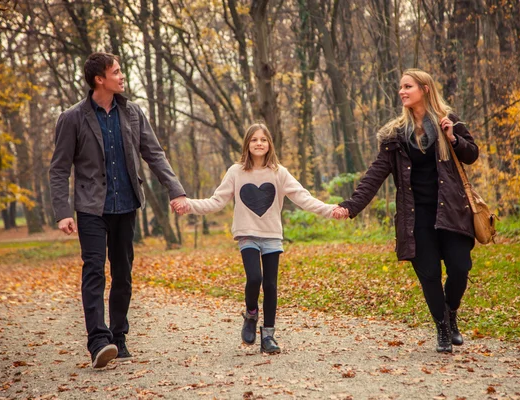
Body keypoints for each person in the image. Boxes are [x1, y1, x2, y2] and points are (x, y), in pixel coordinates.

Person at [50, 52, 187, 368]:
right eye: (117, 71)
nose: (122, 76)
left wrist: (175, 190)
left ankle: (118, 337)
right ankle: (98, 341)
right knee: (94, 270)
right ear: (100, 79)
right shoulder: (72, 118)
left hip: (126, 205)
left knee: (123, 274)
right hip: (91, 209)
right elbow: (59, 168)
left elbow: (154, 154)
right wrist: (62, 211)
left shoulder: (134, 113)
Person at [332, 68, 479, 353]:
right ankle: (442, 328)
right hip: (416, 217)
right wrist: (351, 207)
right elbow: (375, 174)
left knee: (460, 269)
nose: (401, 91)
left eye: (407, 86)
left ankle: (450, 313)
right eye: (400, 87)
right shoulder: (395, 135)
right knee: (429, 275)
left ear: (424, 89)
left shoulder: (449, 121)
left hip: (451, 212)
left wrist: (453, 138)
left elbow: (472, 154)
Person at [172, 123, 336, 354]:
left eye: (263, 140)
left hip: (271, 236)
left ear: (270, 144)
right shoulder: (236, 172)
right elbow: (216, 201)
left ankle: (268, 335)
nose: (259, 143)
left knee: (270, 285)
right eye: (254, 140)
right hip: (247, 234)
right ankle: (250, 314)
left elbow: (303, 198)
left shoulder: (279, 172)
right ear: (247, 145)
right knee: (255, 277)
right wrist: (188, 204)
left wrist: (331, 209)